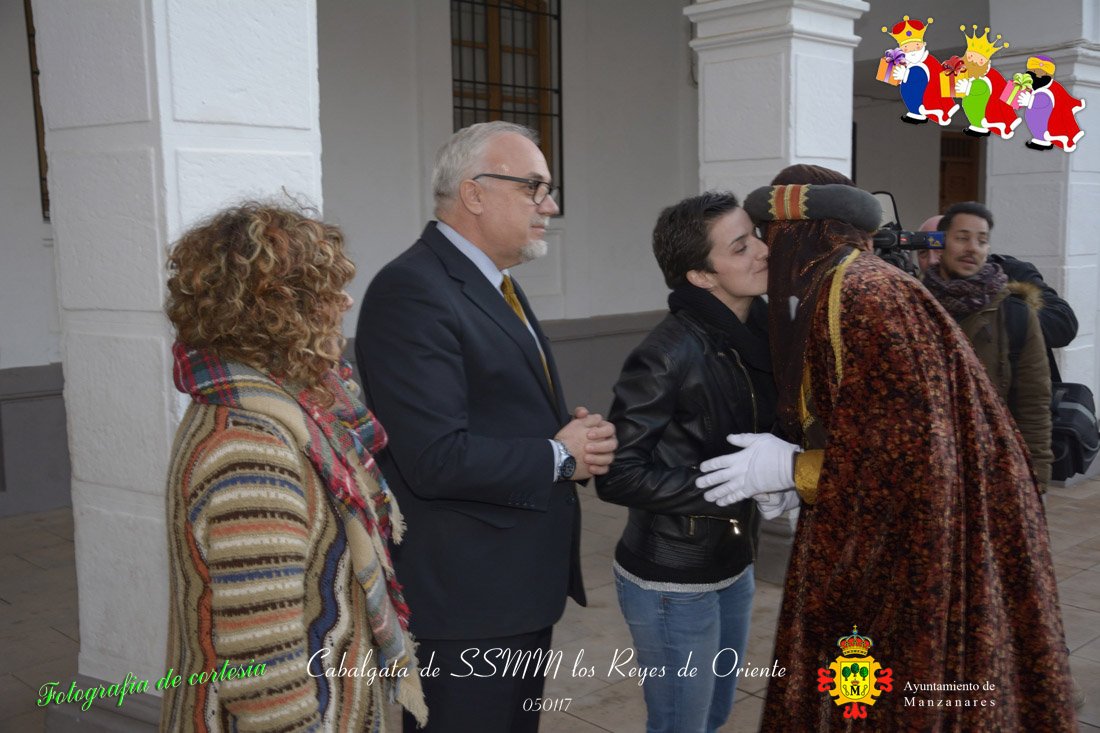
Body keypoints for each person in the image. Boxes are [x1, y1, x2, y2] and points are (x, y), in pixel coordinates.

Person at [694, 165, 1076, 729]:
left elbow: (913, 458)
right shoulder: (847, 285)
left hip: (914, 543)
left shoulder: (862, 295)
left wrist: (796, 469)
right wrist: (800, 473)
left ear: (805, 234)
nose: (767, 253)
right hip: (888, 529)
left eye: (770, 237)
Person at [355, 121, 617, 733]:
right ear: (473, 193)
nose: (549, 206)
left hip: (513, 585)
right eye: (533, 187)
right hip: (467, 601)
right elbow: (435, 457)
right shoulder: (412, 289)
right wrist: (558, 457)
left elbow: (496, 408)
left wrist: (571, 439)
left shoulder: (493, 281)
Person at [162, 203, 425, 731]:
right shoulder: (252, 450)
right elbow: (263, 681)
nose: (346, 302)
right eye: (327, 291)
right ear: (277, 311)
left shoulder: (278, 407)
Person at [596, 192, 778, 733]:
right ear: (701, 276)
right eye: (740, 247)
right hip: (673, 580)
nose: (762, 251)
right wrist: (734, 484)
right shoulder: (667, 352)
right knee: (681, 724)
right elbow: (618, 473)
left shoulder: (760, 332)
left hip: (734, 560)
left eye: (755, 237)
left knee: (714, 714)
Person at [924, 202, 1054, 486]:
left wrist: (1036, 477)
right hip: (927, 468)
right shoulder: (915, 305)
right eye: (962, 238)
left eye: (981, 240)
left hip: (991, 468)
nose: (972, 248)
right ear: (940, 244)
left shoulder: (1015, 314)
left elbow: (1034, 402)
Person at [918, 213, 1078, 379]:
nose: (931, 261)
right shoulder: (915, 292)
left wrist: (1003, 318)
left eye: (939, 249)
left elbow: (1063, 324)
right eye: (923, 252)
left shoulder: (1011, 272)